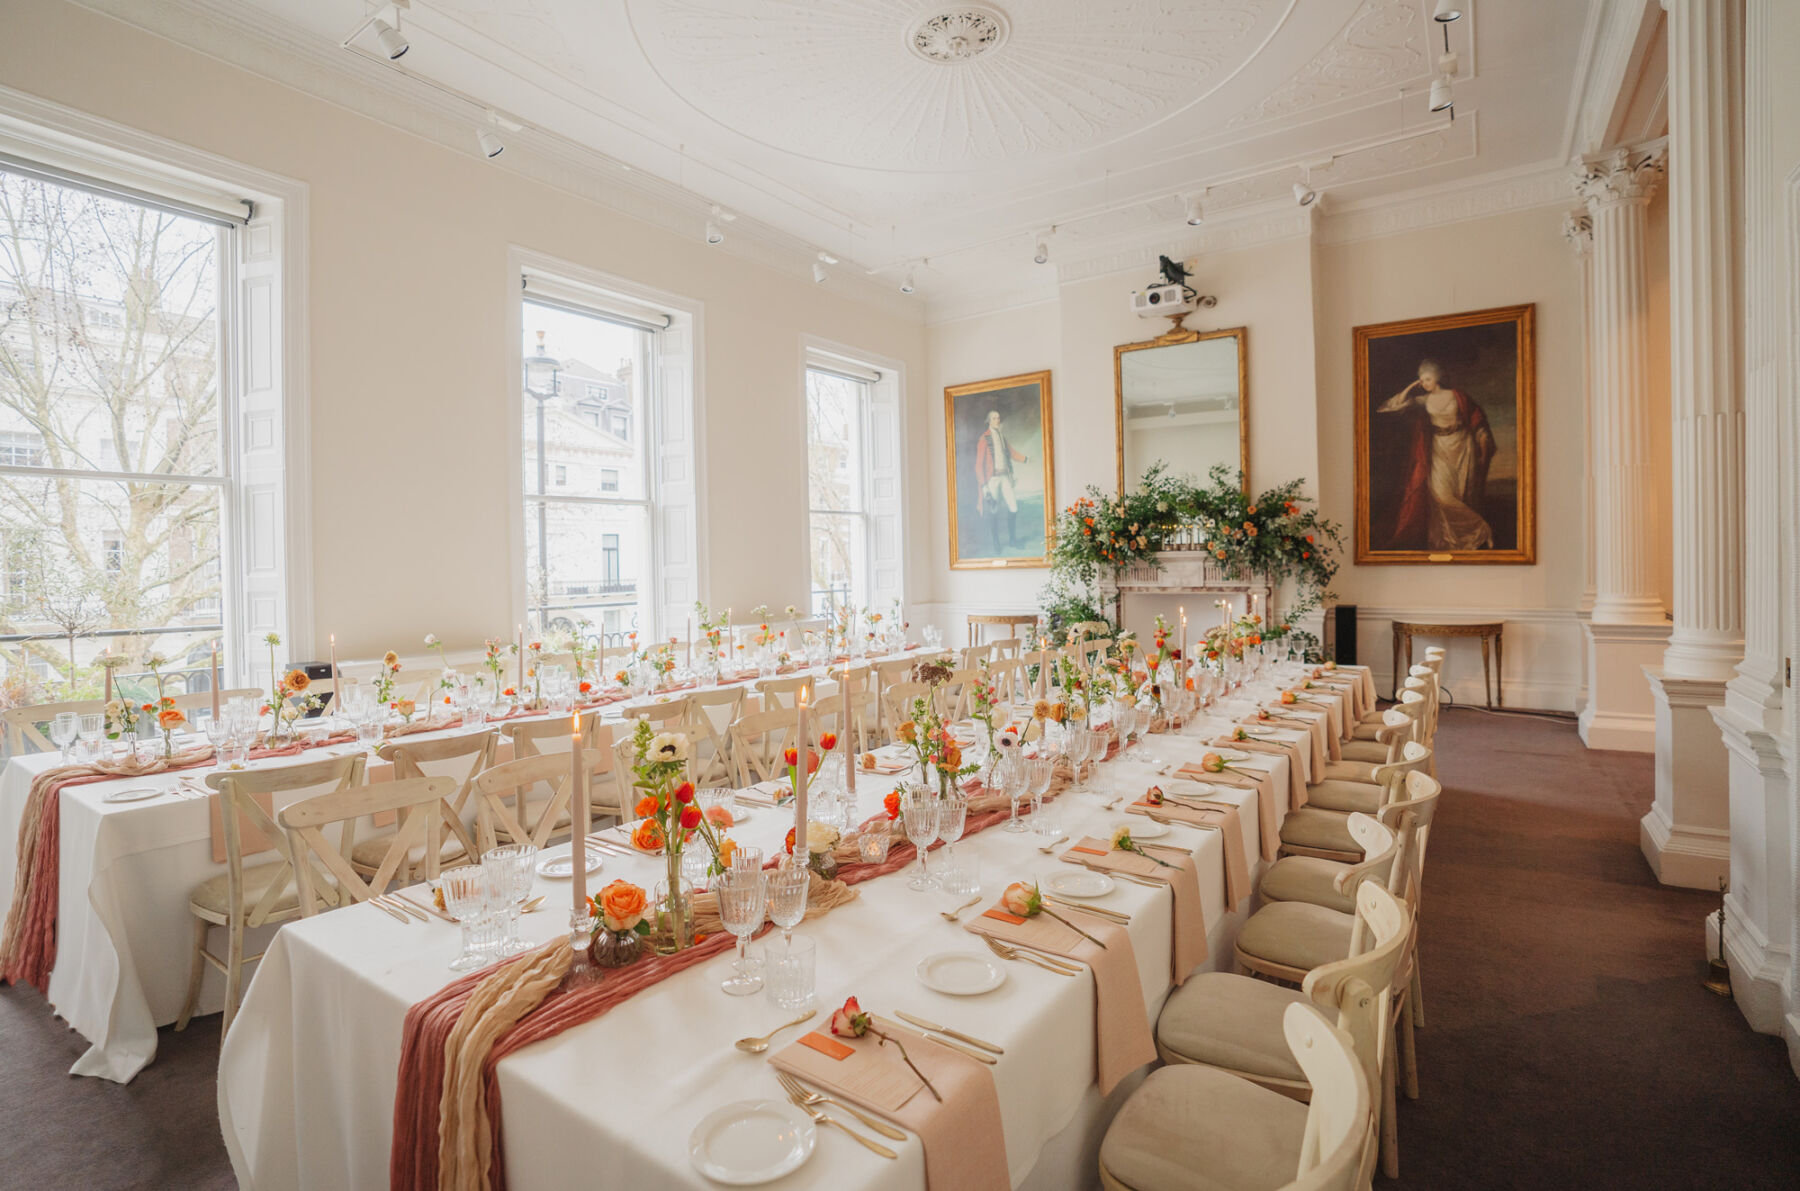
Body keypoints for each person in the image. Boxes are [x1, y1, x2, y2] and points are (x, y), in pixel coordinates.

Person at [1375, 359, 1496, 550]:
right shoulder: (1423, 400)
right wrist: (1412, 386)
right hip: (1439, 448)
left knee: (1463, 495)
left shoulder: (1458, 396)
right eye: (1421, 380)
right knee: (1441, 496)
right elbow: (1392, 406)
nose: (1424, 383)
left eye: (1427, 379)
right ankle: (1481, 529)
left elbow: (1477, 421)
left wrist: (1483, 448)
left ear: (1437, 378)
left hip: (1463, 446)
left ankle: (1460, 541)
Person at [974, 409, 1028, 553]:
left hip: (1005, 477)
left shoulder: (1002, 437)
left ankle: (1012, 540)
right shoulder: (983, 439)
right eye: (994, 418)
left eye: (998, 417)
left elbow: (1011, 453)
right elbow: (978, 465)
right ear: (989, 421)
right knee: (994, 510)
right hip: (992, 480)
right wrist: (984, 486)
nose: (998, 420)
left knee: (1013, 507)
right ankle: (996, 543)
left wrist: (1026, 459)